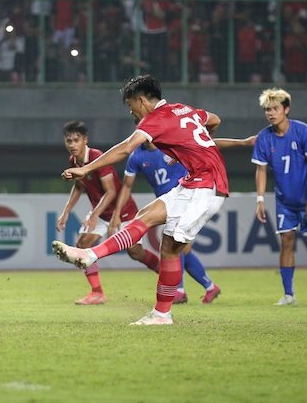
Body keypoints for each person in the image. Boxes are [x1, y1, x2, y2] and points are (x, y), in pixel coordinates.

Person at [53, 74, 229, 325]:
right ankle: (91, 255)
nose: (131, 111)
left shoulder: (157, 118)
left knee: (170, 248)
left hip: (207, 187)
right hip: (192, 181)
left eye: (130, 105)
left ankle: (162, 314)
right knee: (144, 216)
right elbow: (215, 120)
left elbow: (125, 148)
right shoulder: (182, 109)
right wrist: (191, 147)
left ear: (142, 100)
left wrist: (85, 169)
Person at [110, 137, 255, 304]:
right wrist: (117, 214)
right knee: (183, 250)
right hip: (167, 203)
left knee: (174, 242)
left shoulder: (171, 143)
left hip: (187, 198)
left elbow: (209, 142)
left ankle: (178, 290)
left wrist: (242, 143)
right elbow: (127, 186)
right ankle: (210, 287)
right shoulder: (136, 156)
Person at [56, 120, 162, 305]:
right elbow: (79, 186)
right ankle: (97, 293)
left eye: (76, 140)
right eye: (69, 141)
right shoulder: (74, 161)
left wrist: (94, 215)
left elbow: (111, 191)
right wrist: (65, 212)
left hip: (124, 212)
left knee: (136, 253)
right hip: (102, 212)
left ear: (85, 140)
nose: (72, 145)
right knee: (82, 245)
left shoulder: (97, 157)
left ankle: (170, 276)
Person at [251, 87, 307, 306]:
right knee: (286, 242)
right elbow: (261, 170)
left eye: (275, 108)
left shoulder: (303, 132)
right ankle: (288, 294)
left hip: (306, 200)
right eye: (267, 109)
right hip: (284, 202)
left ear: (286, 109)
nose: (271, 113)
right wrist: (260, 200)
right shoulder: (264, 138)